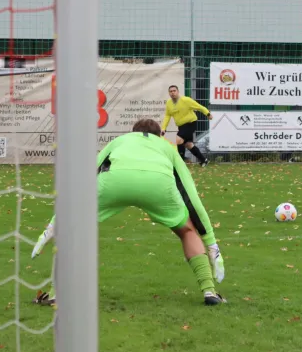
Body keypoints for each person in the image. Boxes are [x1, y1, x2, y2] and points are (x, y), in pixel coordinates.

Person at [31, 119, 226, 306]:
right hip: (157, 183)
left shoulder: (120, 140)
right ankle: (209, 290)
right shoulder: (165, 146)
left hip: (115, 181)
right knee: (187, 231)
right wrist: (211, 242)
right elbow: (190, 195)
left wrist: (56, 222)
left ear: (133, 132)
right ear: (159, 135)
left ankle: (57, 294)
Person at [161, 85, 212, 166]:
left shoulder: (186, 100)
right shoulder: (169, 103)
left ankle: (180, 163)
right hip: (181, 126)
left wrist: (208, 113)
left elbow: (199, 107)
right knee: (188, 145)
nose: (172, 93)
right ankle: (203, 160)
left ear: (178, 92)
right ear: (169, 93)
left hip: (190, 123)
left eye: (174, 91)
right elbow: (167, 116)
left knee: (178, 140)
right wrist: (163, 128)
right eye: (170, 91)